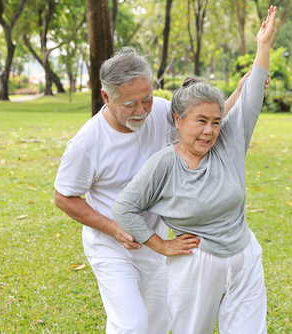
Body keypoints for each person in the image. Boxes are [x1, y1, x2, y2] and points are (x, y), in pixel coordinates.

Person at [53, 45, 268, 333]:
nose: (141, 111)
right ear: (107, 96)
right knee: (131, 324)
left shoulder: (163, 111)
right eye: (130, 104)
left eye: (147, 99)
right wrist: (113, 228)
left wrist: (243, 90)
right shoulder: (87, 143)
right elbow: (64, 197)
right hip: (112, 244)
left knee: (158, 322)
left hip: (154, 239)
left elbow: (202, 118)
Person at [112, 6, 277, 334]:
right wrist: (162, 245)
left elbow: (251, 99)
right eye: (200, 121)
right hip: (196, 267)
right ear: (178, 120)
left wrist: (264, 46)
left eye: (216, 122)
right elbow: (124, 208)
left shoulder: (228, 145)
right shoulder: (164, 163)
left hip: (244, 256)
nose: (209, 131)